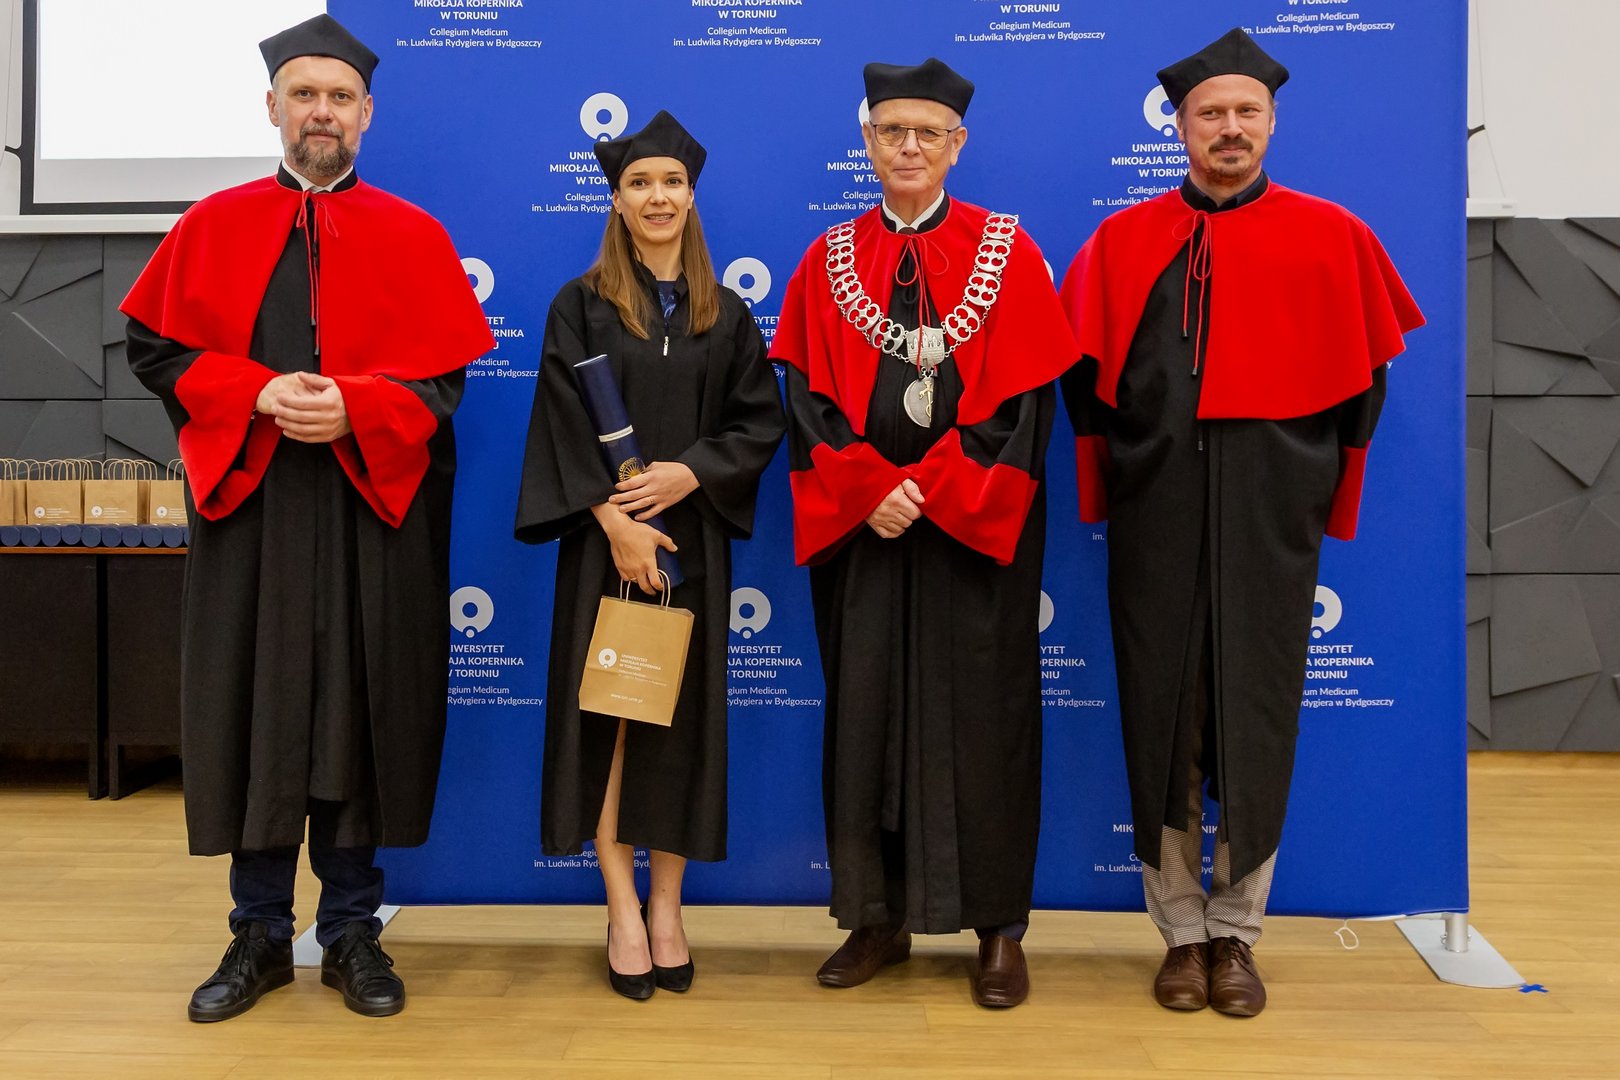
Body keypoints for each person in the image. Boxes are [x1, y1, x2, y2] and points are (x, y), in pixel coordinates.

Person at [121, 14, 494, 1021]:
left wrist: (356, 408)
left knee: (359, 709)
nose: (320, 111)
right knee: (256, 705)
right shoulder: (211, 225)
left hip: (372, 511)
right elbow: (156, 350)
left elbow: (444, 383)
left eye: (338, 97)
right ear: (272, 108)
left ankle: (352, 930)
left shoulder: (414, 235)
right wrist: (252, 392)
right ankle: (257, 933)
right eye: (303, 95)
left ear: (366, 115)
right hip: (254, 507)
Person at [1058, 28, 1425, 1017]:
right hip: (1158, 513)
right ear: (1179, 127)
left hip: (1272, 517)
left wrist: (1323, 499)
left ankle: (1237, 935)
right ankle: (1180, 933)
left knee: (1257, 717)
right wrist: (1113, 485)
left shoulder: (1333, 236)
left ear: (1272, 123)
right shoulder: (1122, 243)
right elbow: (1084, 390)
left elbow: (1364, 389)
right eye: (1210, 113)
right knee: (1162, 718)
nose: (1229, 127)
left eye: (1246, 112)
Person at [770, 58, 1077, 1008]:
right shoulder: (827, 260)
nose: (909, 147)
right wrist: (871, 488)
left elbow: (1025, 408)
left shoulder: (1007, 252)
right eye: (891, 131)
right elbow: (807, 402)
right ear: (867, 141)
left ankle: (998, 928)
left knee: (987, 718)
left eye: (928, 132)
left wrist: (935, 487)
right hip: (864, 531)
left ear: (957, 143)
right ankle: (877, 917)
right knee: (865, 711)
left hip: (972, 532)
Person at [514, 111, 785, 1000]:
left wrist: (688, 472)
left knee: (677, 726)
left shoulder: (726, 314)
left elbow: (757, 421)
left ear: (691, 196)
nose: (657, 197)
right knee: (613, 723)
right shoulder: (580, 305)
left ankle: (668, 907)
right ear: (618, 200)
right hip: (606, 550)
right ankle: (621, 909)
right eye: (639, 183)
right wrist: (615, 520)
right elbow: (560, 426)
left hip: (690, 548)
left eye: (671, 182)